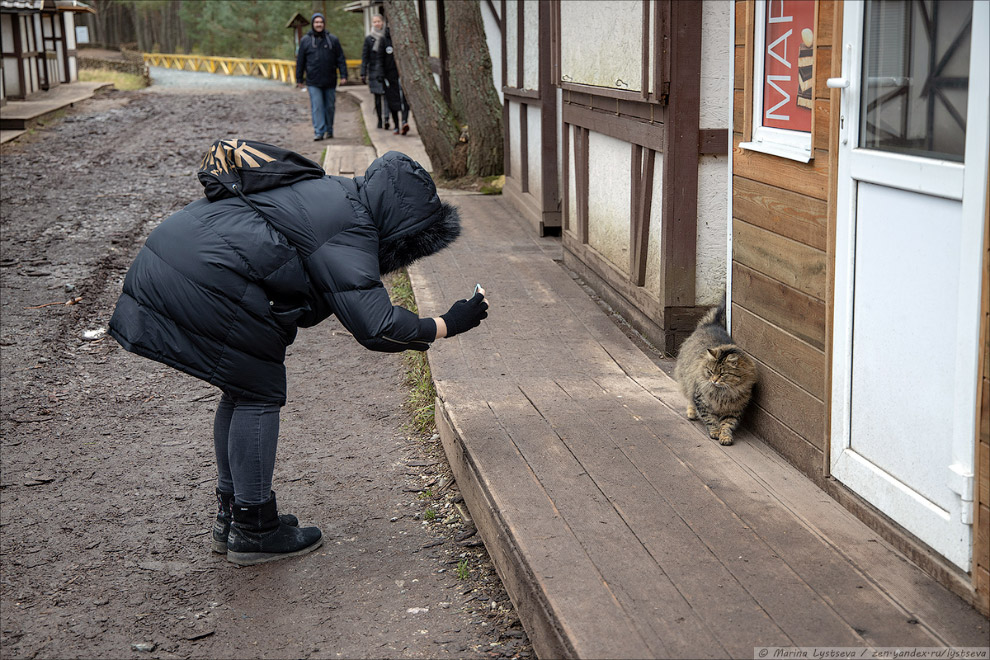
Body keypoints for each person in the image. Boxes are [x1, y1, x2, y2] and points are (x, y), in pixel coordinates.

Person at [108, 139, 489, 566]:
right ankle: (253, 529)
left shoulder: (333, 195)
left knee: (241, 389)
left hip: (179, 259)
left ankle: (233, 515)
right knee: (258, 392)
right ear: (401, 222)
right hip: (207, 277)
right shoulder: (351, 224)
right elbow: (376, 326)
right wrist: (448, 323)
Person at [296, 12, 348, 141]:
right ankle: (319, 131)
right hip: (313, 80)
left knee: (330, 106)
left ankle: (329, 129)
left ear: (324, 24)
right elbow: (300, 61)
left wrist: (343, 75)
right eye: (316, 22)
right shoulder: (306, 41)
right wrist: (299, 78)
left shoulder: (333, 40)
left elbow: (340, 58)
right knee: (317, 106)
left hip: (330, 79)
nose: (318, 24)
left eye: (321, 22)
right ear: (313, 24)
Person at [360, 14, 389, 130]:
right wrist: (363, 72)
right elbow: (365, 57)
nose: (377, 24)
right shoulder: (369, 39)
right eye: (375, 22)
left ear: (382, 22)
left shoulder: (387, 36)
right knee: (377, 98)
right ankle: (379, 119)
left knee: (387, 96)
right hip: (373, 71)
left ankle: (386, 118)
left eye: (379, 21)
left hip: (386, 70)